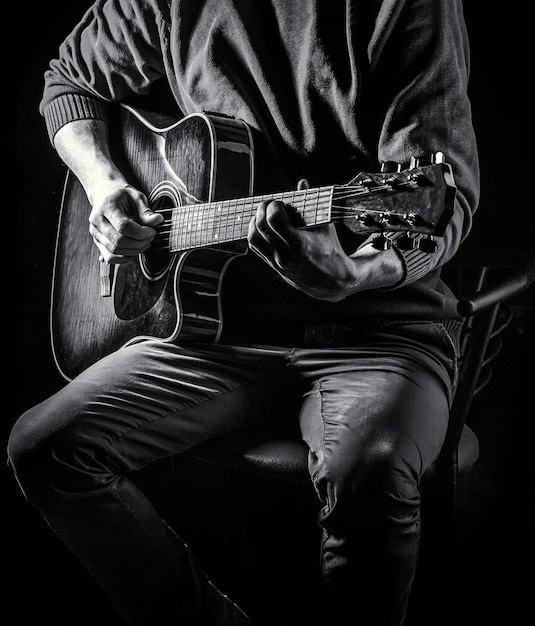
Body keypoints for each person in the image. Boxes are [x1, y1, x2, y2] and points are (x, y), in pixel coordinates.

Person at [8, 1, 479, 625]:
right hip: (212, 328)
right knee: (43, 449)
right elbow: (66, 81)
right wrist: (104, 185)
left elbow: (440, 201)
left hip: (378, 330)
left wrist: (356, 273)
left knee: (368, 465)